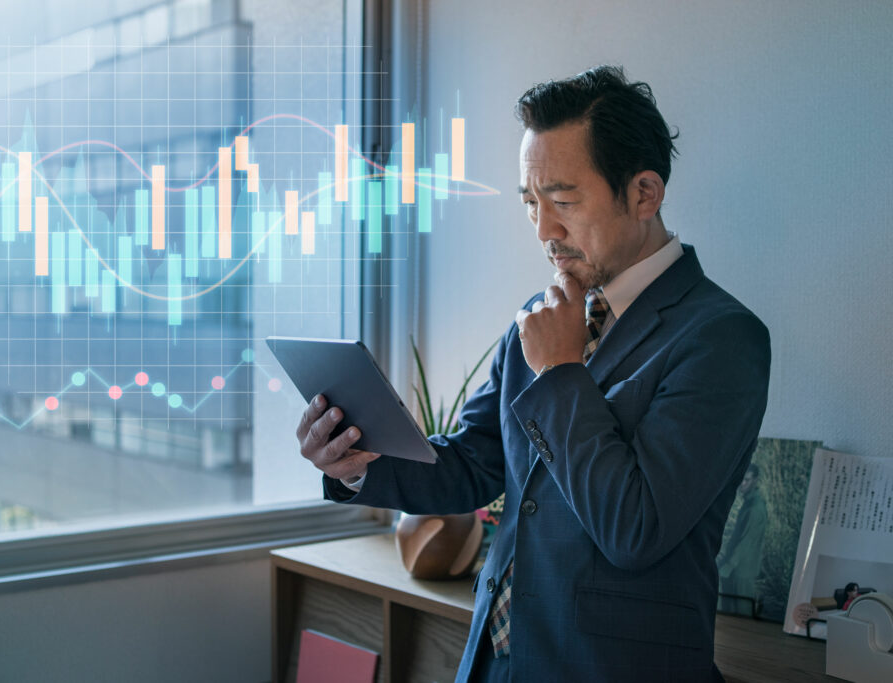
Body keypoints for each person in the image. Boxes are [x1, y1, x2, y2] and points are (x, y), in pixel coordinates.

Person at [297, 66, 771, 682]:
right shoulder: (541, 318)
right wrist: (358, 464)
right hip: (497, 661)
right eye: (530, 204)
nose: (545, 232)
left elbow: (636, 527)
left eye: (565, 201)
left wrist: (560, 372)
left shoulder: (720, 337)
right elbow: (472, 463)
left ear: (645, 193)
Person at [717, 463, 769, 615]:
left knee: (741, 613)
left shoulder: (754, 508)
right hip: (740, 568)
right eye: (741, 479)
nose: (742, 484)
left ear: (755, 480)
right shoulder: (750, 503)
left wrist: (726, 567)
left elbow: (745, 544)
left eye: (746, 480)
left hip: (742, 571)